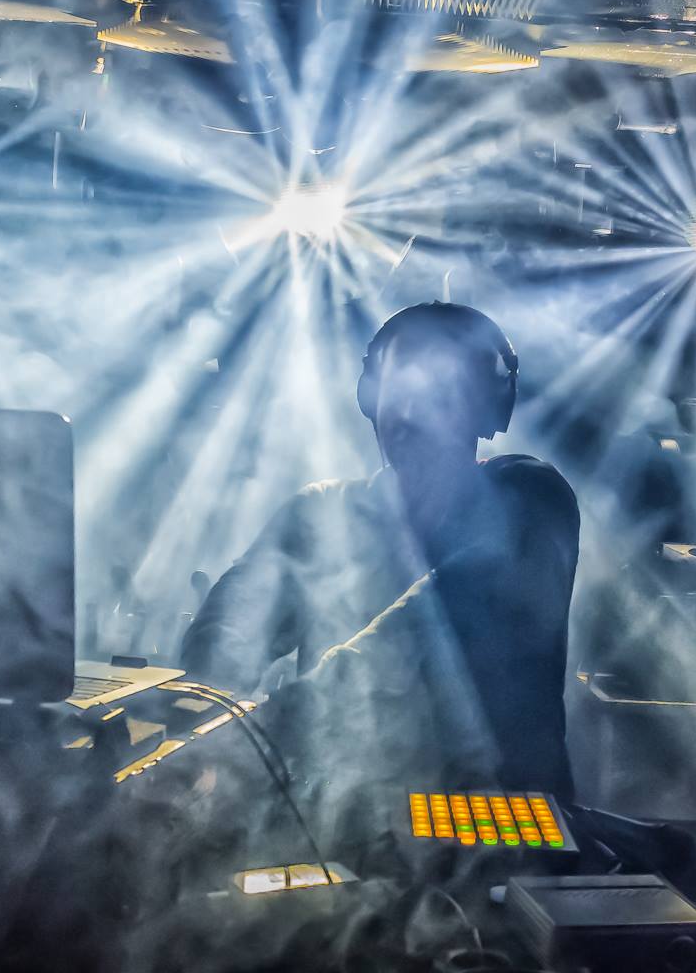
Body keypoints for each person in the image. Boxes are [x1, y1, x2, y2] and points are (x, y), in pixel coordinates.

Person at [178, 302, 580, 797]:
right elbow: (227, 631)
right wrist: (198, 712)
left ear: (485, 408)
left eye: (435, 395)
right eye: (396, 391)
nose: (407, 415)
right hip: (343, 819)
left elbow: (443, 626)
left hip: (499, 821)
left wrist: (270, 728)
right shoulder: (321, 512)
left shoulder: (530, 497)